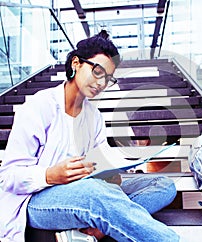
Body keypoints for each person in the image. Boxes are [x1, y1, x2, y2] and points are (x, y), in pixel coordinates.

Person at [0, 30, 180, 242]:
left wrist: (109, 173)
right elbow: (8, 176)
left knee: (163, 185)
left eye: (108, 78)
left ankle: (97, 230)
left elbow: (99, 162)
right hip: (36, 200)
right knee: (95, 194)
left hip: (84, 191)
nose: (101, 83)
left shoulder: (93, 117)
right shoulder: (39, 107)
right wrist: (50, 175)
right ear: (76, 63)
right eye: (97, 72)